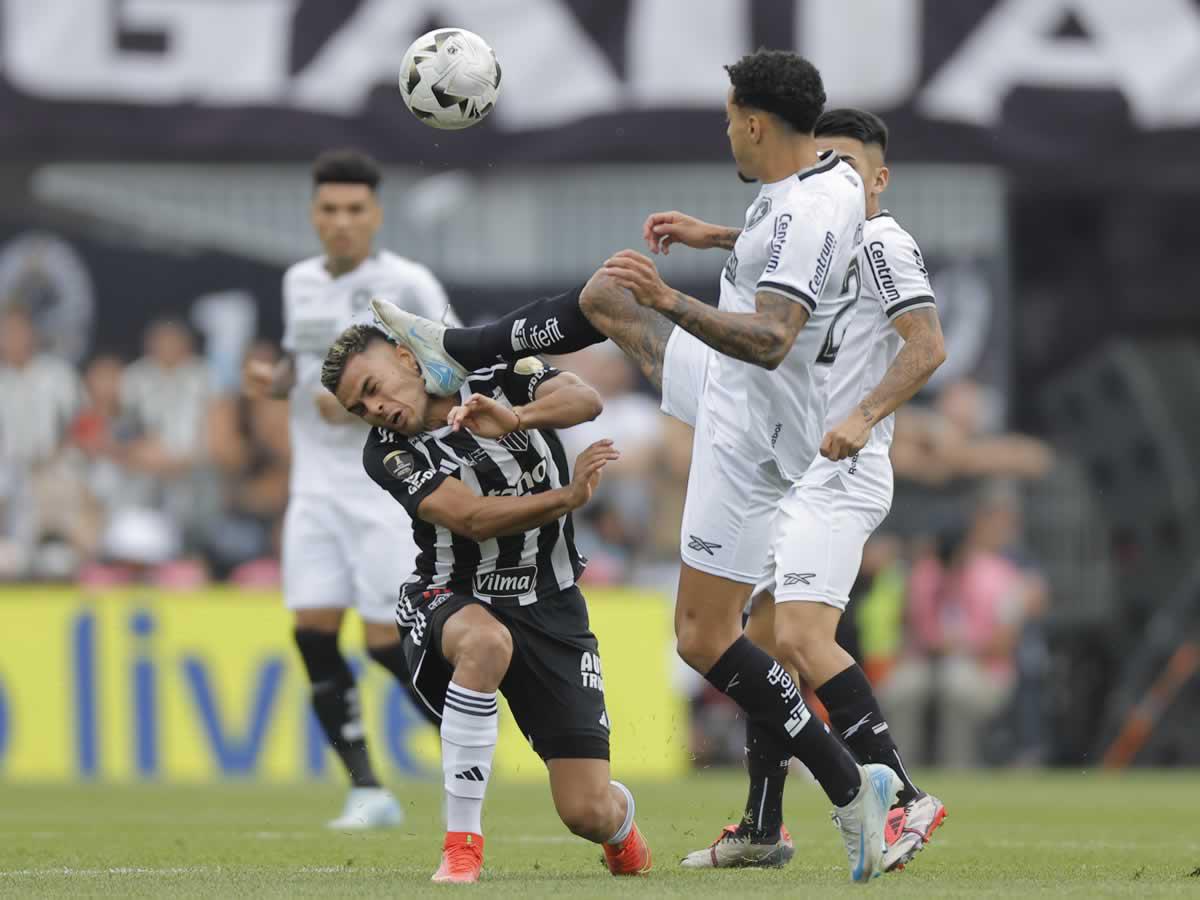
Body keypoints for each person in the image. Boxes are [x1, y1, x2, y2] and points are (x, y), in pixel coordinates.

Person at [373, 54, 907, 882]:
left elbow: (770, 341)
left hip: (753, 430)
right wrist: (716, 238)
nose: (726, 128)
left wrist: (670, 298)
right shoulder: (828, 180)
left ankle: (854, 788)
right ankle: (454, 352)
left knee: (705, 637)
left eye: (730, 116)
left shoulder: (809, 206)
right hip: (741, 401)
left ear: (756, 123)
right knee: (605, 295)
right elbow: (791, 245)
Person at [673, 108, 947, 872]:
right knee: (761, 647)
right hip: (796, 467)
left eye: (850, 169)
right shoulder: (815, 234)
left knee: (797, 639)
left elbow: (927, 346)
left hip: (844, 466)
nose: (832, 180)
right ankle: (763, 826)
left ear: (879, 180)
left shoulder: (887, 241)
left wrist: (863, 414)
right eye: (823, 163)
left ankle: (904, 800)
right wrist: (717, 236)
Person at [319, 324, 651, 884]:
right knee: (484, 641)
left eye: (374, 387)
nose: (376, 408)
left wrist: (518, 418)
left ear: (405, 357)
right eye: (360, 406)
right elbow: (468, 517)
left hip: (552, 606)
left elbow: (585, 400)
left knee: (587, 812)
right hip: (451, 593)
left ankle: (620, 828)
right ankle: (461, 847)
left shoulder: (499, 374)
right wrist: (566, 499)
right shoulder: (388, 453)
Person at [242, 149, 456, 829]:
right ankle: (367, 788)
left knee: (383, 642)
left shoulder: (409, 284)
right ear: (313, 214)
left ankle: (463, 726)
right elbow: (301, 363)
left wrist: (369, 403)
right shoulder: (298, 281)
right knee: (311, 634)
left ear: (376, 214)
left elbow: (453, 365)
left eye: (354, 210)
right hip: (314, 490)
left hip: (381, 488)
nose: (341, 222)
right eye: (329, 210)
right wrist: (274, 382)